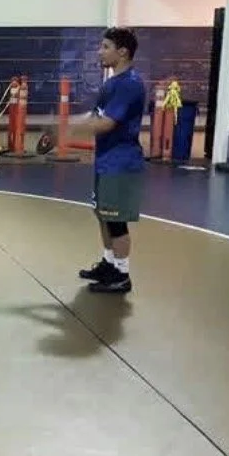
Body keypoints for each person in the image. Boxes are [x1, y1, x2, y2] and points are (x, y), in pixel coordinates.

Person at [76, 27, 146, 294]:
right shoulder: (110, 84)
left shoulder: (130, 84)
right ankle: (108, 264)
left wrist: (68, 129)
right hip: (105, 161)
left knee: (117, 221)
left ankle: (122, 275)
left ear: (122, 51)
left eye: (105, 46)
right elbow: (94, 115)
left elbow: (106, 123)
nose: (99, 51)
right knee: (103, 214)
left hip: (122, 163)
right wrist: (66, 124)